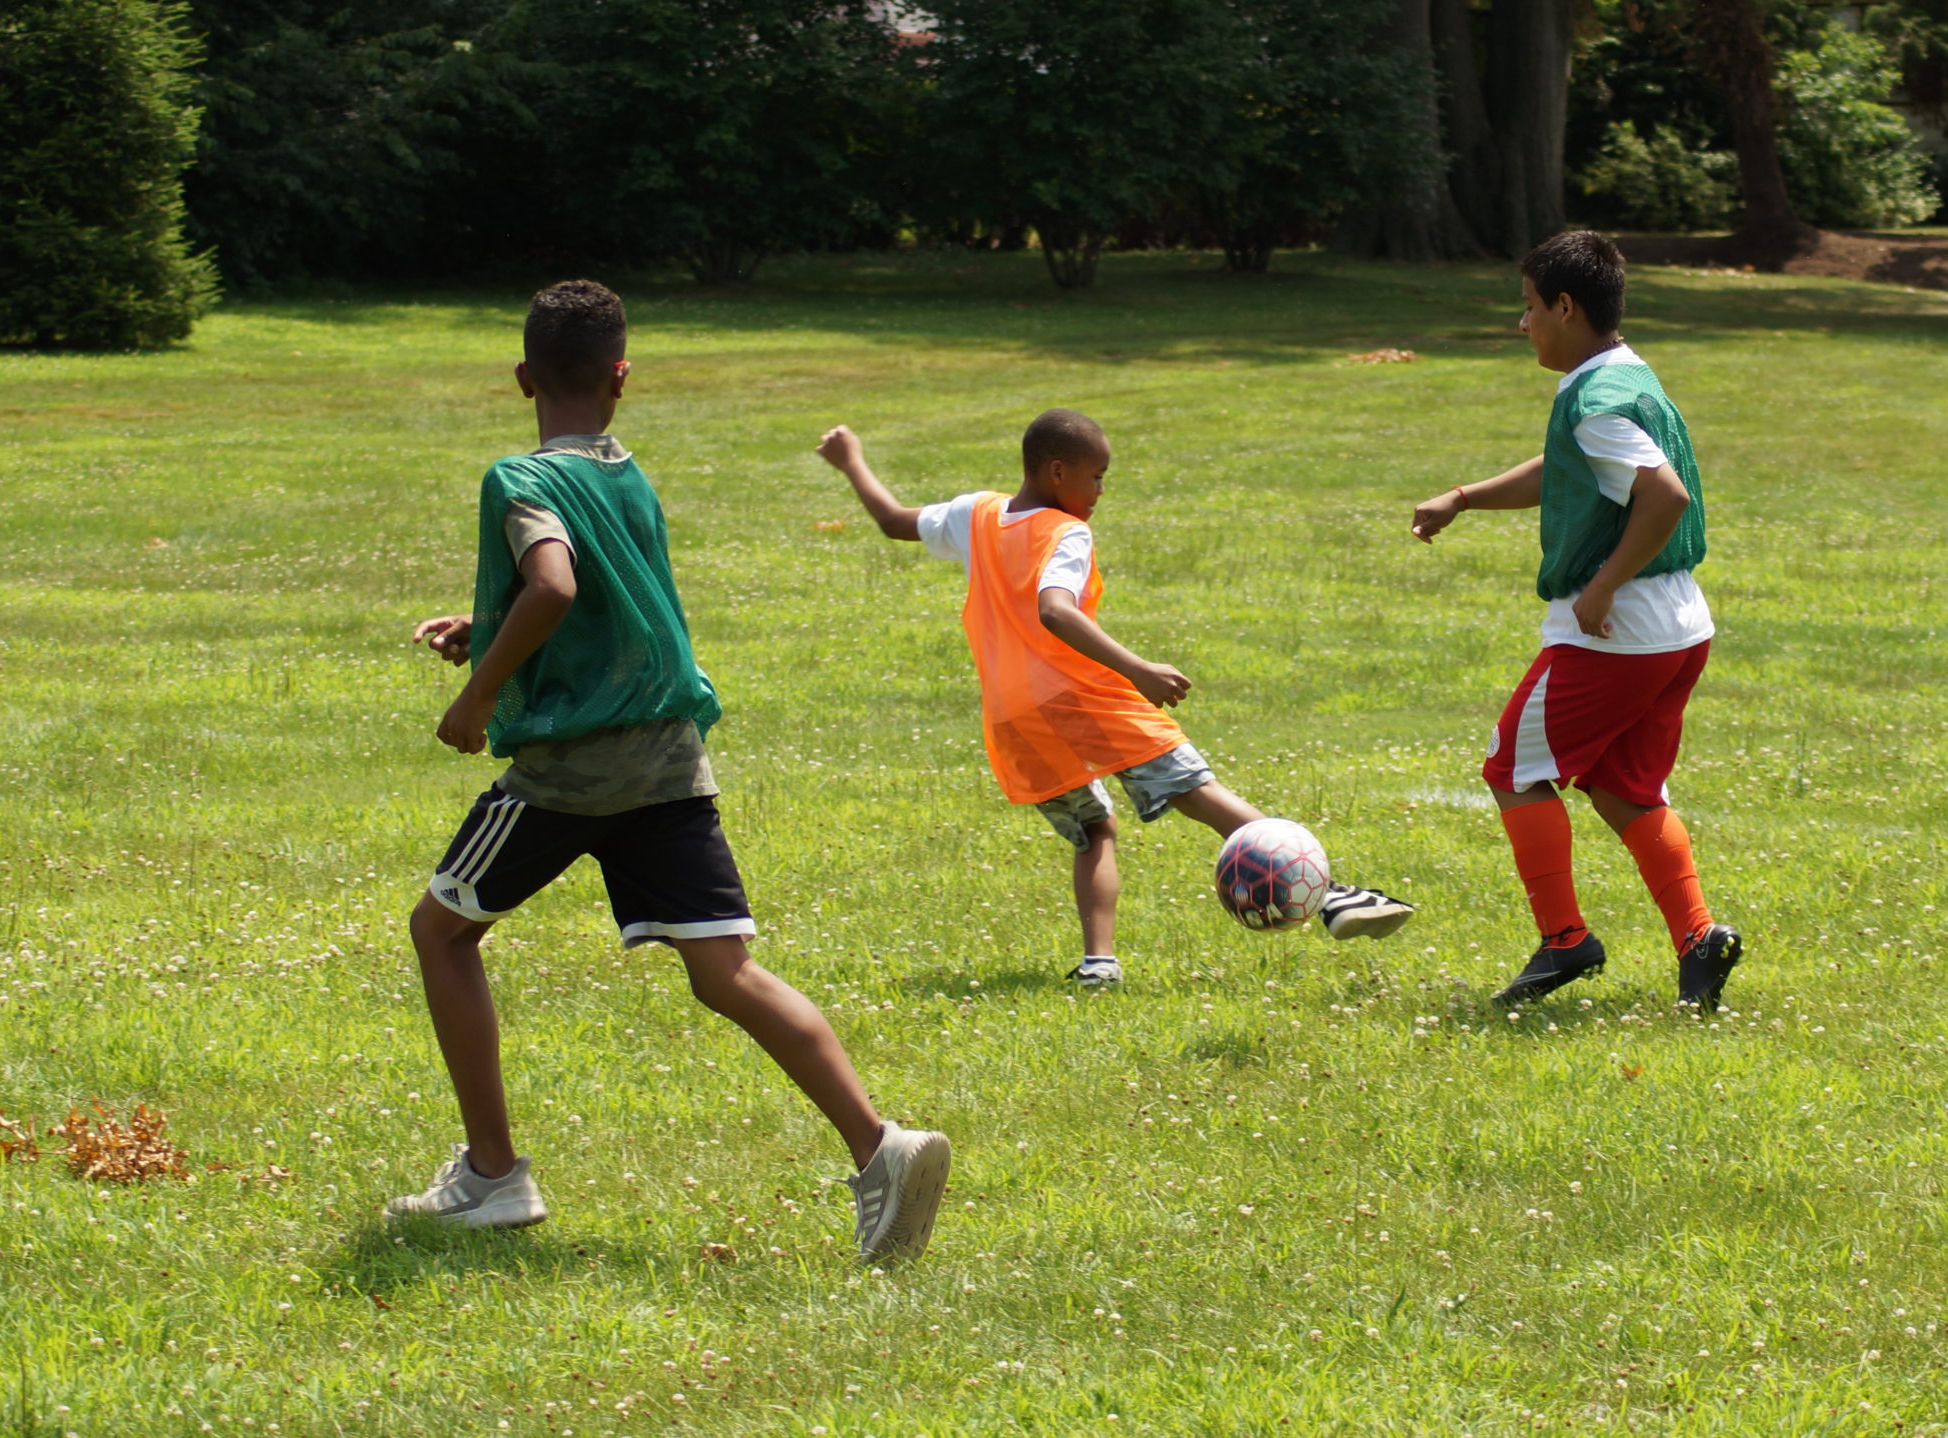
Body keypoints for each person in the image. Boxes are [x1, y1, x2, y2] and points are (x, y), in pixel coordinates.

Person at [391, 280, 949, 1263]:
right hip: (669, 759)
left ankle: (493, 1175)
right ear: (621, 379)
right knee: (727, 972)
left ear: (522, 377)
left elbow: (554, 583)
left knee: (441, 932)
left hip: (570, 772)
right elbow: (613, 595)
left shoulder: (518, 477)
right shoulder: (627, 475)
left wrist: (478, 694)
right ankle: (881, 1147)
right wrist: (489, 623)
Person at [818, 411, 1415, 989]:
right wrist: (1138, 669)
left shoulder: (975, 513)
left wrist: (852, 462)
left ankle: (1098, 963)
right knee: (1194, 790)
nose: (1101, 491)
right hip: (1079, 698)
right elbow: (1055, 610)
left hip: (1013, 718)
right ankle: (1330, 895)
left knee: (1095, 829)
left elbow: (894, 520)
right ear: (1058, 472)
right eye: (1097, 476)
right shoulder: (1065, 532)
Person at [1410, 230, 1741, 1012]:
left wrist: (1602, 585)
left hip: (1618, 630)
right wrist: (1464, 497)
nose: (1521, 322)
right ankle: (1699, 940)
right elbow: (1574, 469)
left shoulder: (1594, 399)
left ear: (1565, 306)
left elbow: (1664, 496)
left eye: (1529, 306)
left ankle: (1565, 940)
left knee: (1512, 769)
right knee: (1626, 790)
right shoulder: (1625, 375)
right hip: (1679, 624)